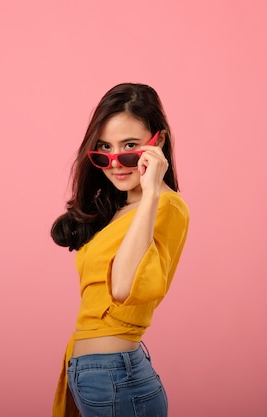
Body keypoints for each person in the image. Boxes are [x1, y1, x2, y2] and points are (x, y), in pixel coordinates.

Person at [50, 83, 189, 417]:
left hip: (115, 378)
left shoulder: (165, 206)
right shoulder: (117, 210)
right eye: (103, 150)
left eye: (130, 147)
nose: (116, 163)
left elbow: (124, 286)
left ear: (159, 143)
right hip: (100, 375)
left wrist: (152, 192)